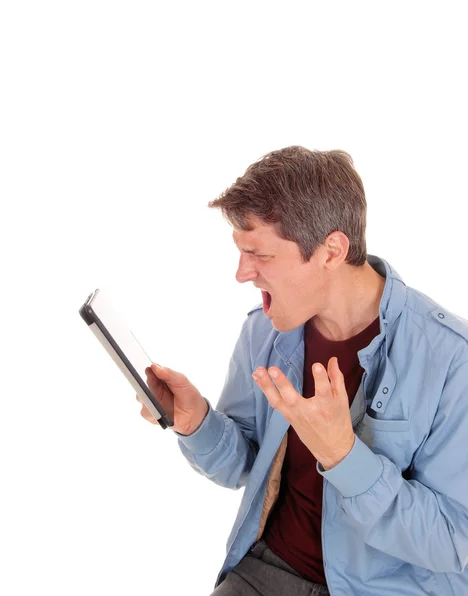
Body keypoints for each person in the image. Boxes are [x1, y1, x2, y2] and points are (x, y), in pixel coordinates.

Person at [137, 147, 468, 595]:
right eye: (240, 252)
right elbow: (246, 464)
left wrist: (345, 458)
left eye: (260, 255)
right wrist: (196, 423)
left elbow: (455, 540)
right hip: (269, 568)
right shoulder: (264, 331)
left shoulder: (451, 360)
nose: (241, 273)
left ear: (332, 250)